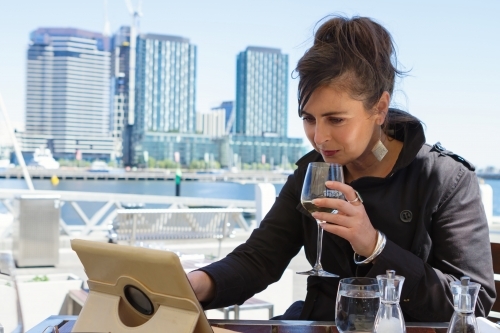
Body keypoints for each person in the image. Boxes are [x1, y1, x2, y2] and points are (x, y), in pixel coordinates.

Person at [187, 15, 496, 321]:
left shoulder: (444, 179)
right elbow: (259, 259)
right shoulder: (312, 172)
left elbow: (473, 301)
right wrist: (195, 283)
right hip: (320, 325)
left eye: (336, 120)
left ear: (379, 109)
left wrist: (376, 245)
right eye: (309, 119)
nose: (319, 138)